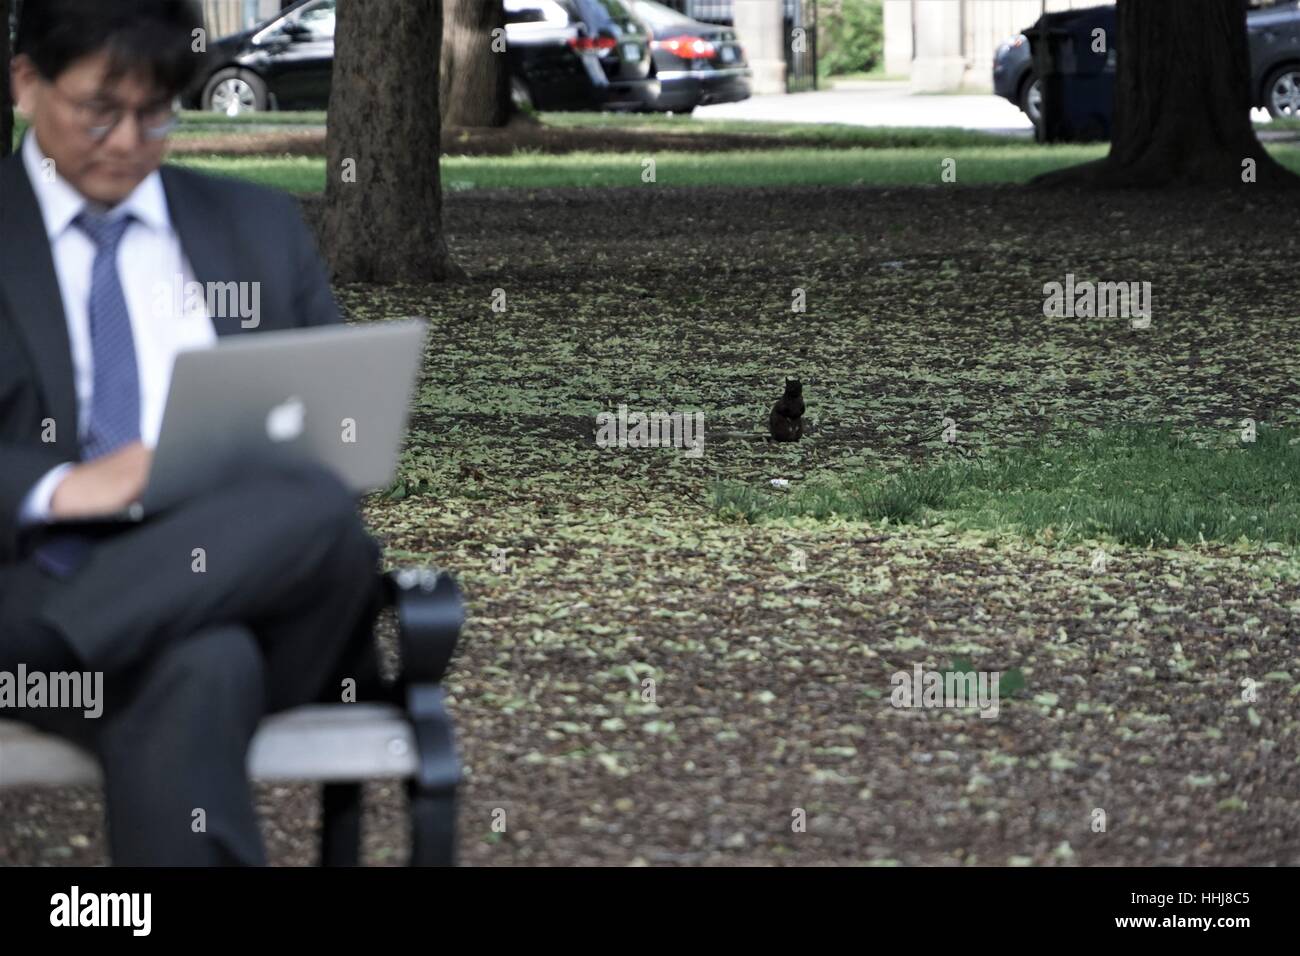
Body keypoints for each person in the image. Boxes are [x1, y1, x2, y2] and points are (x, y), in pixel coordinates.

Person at [0, 0, 388, 865]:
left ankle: (76, 633)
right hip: (37, 574)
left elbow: (333, 423)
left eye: (157, 112)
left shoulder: (253, 228)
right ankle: (104, 623)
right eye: (101, 110)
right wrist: (63, 487)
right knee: (201, 664)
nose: (130, 139)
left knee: (318, 507)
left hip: (244, 588)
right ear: (25, 81)